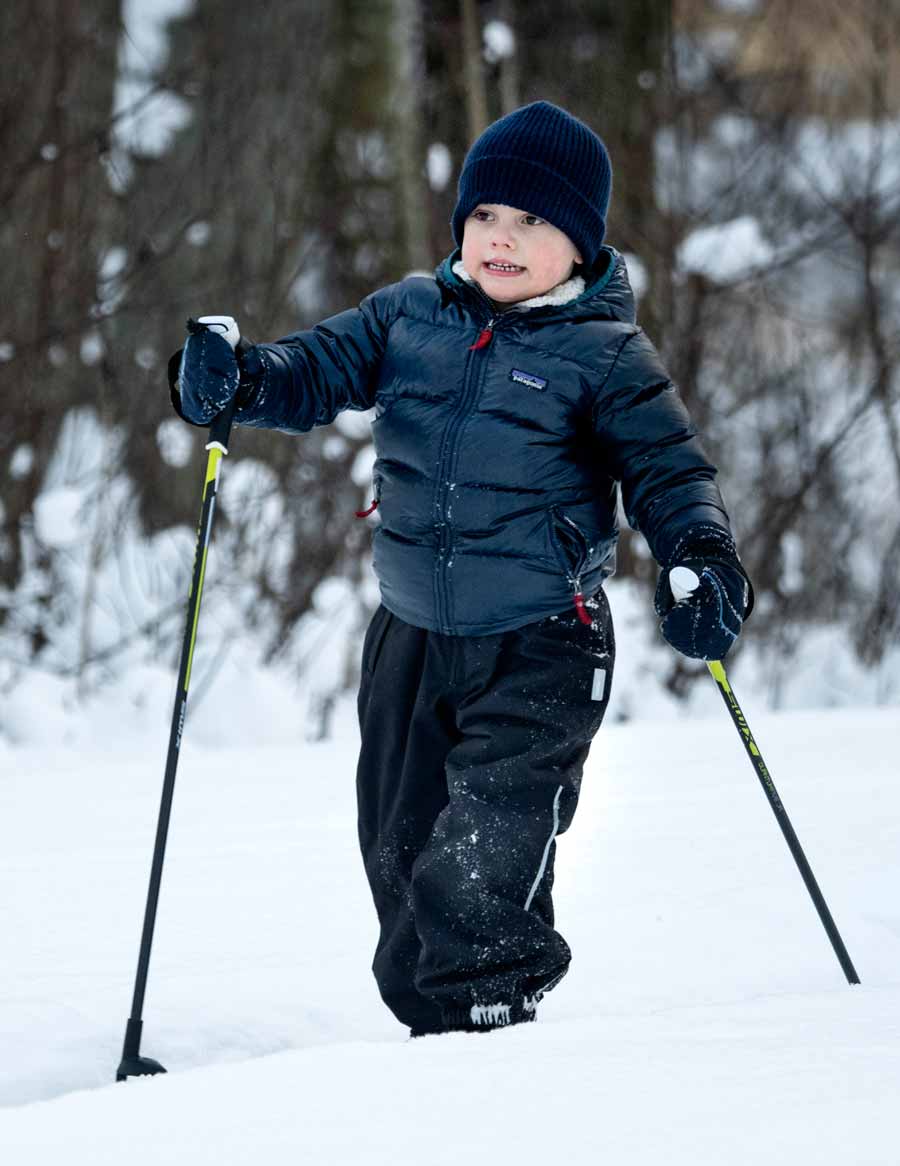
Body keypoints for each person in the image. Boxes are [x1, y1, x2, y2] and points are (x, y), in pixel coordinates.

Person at [170, 100, 753, 1038]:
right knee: (398, 853)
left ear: (583, 246)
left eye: (533, 221)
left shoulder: (606, 355)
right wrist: (240, 379)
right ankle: (432, 1038)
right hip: (411, 634)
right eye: (486, 216)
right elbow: (311, 371)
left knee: (482, 853)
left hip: (542, 642)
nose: (502, 239)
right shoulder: (408, 315)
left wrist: (702, 557)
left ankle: (486, 1028)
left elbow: (670, 472)